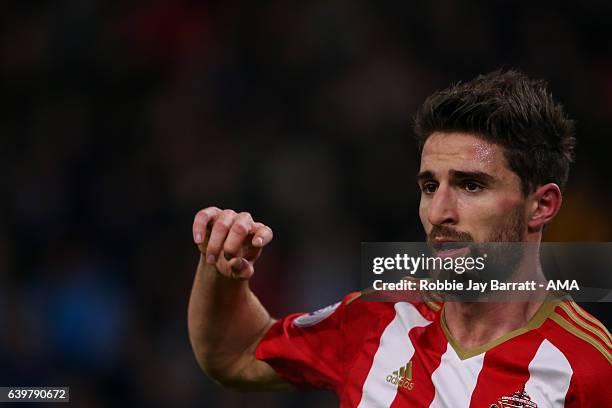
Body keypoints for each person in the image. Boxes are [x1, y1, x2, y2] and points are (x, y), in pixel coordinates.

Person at [188, 71, 611, 407]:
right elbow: (236, 355)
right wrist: (219, 267)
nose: (439, 212)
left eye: (471, 186)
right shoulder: (380, 316)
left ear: (541, 206)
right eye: (430, 186)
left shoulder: (589, 368)